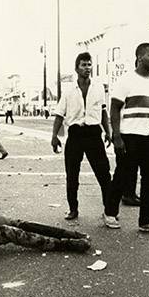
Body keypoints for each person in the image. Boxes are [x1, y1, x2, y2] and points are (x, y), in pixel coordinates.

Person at [104, 43, 149, 233]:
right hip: (129, 135)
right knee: (122, 177)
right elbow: (114, 108)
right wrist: (116, 136)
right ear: (140, 58)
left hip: (148, 136)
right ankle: (110, 212)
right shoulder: (126, 81)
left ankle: (147, 221)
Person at [51, 52, 112, 220]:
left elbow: (103, 111)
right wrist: (54, 136)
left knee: (104, 173)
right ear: (76, 68)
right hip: (75, 134)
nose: (87, 68)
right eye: (83, 65)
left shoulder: (98, 88)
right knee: (72, 175)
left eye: (89, 64)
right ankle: (73, 209)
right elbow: (59, 114)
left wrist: (108, 132)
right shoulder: (69, 90)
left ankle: (109, 210)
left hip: (94, 134)